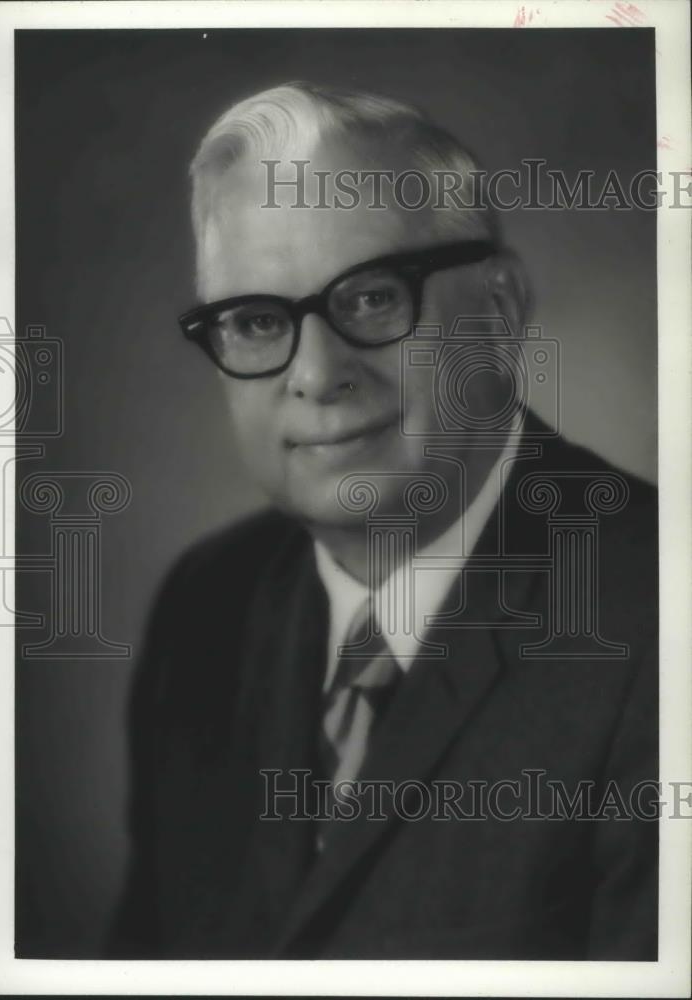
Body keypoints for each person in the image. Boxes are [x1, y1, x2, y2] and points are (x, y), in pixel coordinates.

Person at [109, 82, 658, 959]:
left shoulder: (663, 623)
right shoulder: (203, 610)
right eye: (256, 320)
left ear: (500, 311)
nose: (318, 373)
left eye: (370, 298)